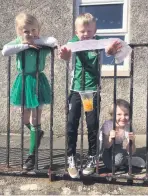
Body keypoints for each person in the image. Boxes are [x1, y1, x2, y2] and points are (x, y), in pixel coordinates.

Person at [58, 13, 121, 178]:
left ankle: (92, 157)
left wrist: (110, 51)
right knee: (72, 124)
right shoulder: (74, 41)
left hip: (91, 92)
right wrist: (65, 55)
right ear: (76, 31)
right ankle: (71, 157)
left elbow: (109, 51)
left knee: (92, 125)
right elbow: (66, 54)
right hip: (76, 91)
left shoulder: (98, 40)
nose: (85, 34)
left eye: (89, 30)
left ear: (95, 31)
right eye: (82, 31)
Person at [2, 12, 57, 170]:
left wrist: (38, 41)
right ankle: (37, 133)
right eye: (26, 31)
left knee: (35, 118)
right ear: (20, 32)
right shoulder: (19, 42)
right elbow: (5, 51)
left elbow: (53, 42)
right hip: (24, 81)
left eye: (34, 30)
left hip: (38, 81)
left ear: (38, 29)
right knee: (24, 118)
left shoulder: (40, 41)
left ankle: (31, 156)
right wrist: (26, 44)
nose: (30, 34)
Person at [101, 99, 136, 171]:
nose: (123, 117)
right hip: (106, 147)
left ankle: (126, 160)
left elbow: (131, 151)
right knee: (108, 164)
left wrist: (132, 141)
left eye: (126, 114)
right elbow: (106, 145)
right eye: (119, 114)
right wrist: (110, 137)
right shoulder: (108, 125)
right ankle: (125, 161)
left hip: (117, 146)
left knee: (116, 162)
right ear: (112, 115)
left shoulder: (128, 127)